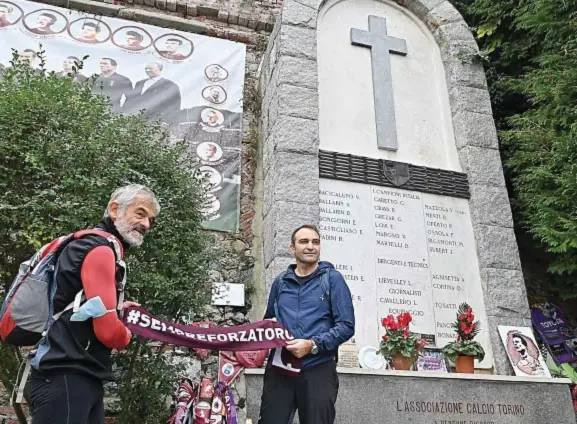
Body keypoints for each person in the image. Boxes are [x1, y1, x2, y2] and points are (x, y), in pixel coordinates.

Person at [27, 184, 160, 424]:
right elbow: (108, 331)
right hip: (66, 379)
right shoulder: (99, 250)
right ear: (114, 209)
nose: (146, 224)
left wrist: (118, 309)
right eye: (140, 213)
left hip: (76, 378)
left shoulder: (93, 247)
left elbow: (81, 306)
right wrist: (126, 334)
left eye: (150, 219)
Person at [258, 224, 355, 424]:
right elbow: (270, 321)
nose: (311, 246)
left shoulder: (333, 279)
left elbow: (346, 325)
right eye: (304, 242)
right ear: (292, 248)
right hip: (280, 370)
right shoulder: (281, 282)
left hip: (318, 368)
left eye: (315, 242)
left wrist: (312, 345)